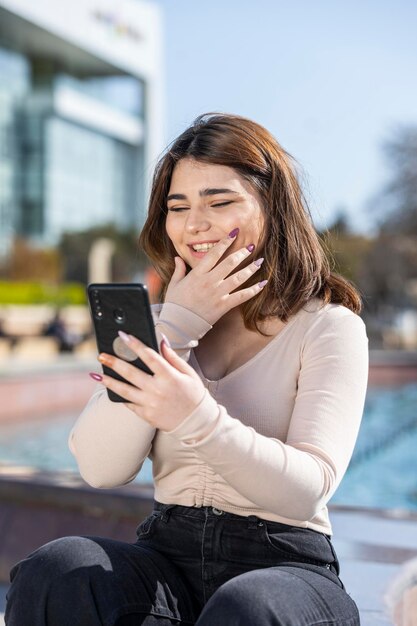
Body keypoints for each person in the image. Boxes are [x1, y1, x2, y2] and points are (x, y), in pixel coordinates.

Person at [5, 113, 369, 625]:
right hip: (167, 555)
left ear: (274, 208)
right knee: (58, 569)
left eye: (219, 202)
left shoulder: (327, 326)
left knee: (247, 606)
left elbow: (307, 487)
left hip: (286, 567)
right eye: (178, 207)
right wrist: (175, 326)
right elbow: (100, 468)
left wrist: (193, 415)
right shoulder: (157, 325)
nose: (194, 224)